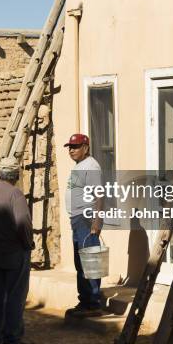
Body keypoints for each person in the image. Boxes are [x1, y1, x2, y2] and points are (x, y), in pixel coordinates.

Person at [0, 156, 35, 344]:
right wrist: (28, 243)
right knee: (15, 296)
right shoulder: (15, 194)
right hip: (14, 252)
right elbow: (23, 224)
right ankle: (11, 340)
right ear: (15, 174)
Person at [64, 133, 103, 317]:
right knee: (80, 262)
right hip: (77, 219)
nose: (72, 150)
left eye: (76, 146)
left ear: (86, 148)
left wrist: (96, 221)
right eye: (70, 147)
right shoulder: (80, 166)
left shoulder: (91, 166)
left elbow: (99, 195)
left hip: (86, 219)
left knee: (90, 261)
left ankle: (93, 303)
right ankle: (85, 300)